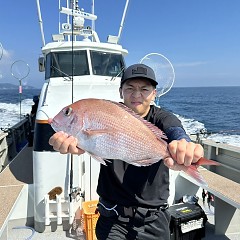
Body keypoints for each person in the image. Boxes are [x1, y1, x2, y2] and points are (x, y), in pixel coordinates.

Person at [49, 63, 204, 240]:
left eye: (144, 89)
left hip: (154, 220)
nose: (137, 95)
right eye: (130, 88)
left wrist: (184, 144)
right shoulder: (109, 111)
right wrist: (72, 146)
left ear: (154, 93)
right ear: (120, 91)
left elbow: (175, 131)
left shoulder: (162, 118)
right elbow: (88, 143)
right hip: (112, 219)